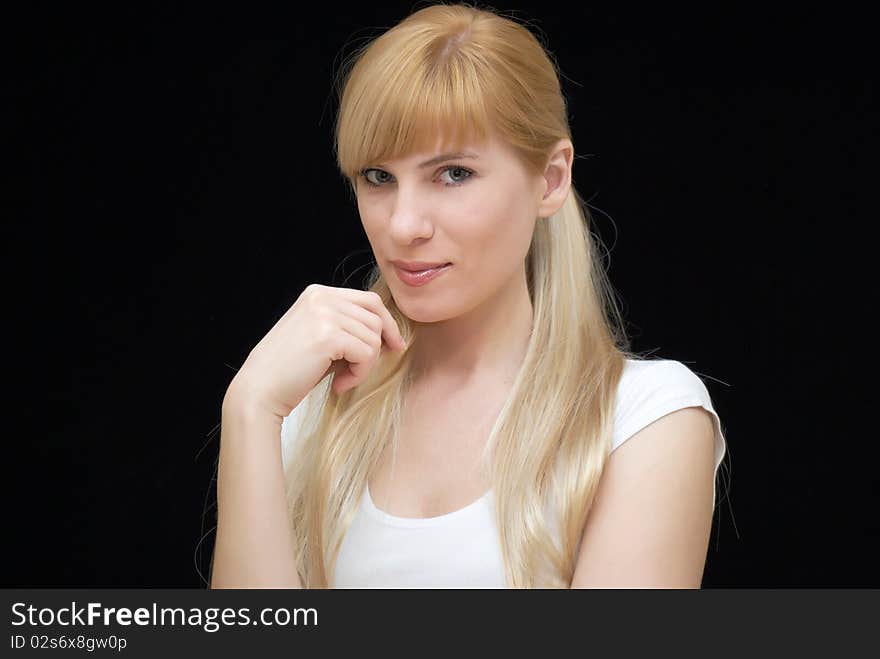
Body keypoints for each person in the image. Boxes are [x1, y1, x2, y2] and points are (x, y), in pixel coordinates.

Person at [210, 1, 728, 589]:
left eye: (453, 173)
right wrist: (248, 408)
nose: (404, 225)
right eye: (378, 177)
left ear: (552, 179)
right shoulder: (306, 409)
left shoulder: (641, 419)